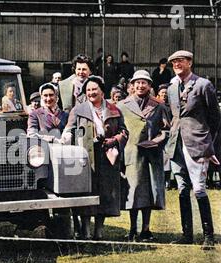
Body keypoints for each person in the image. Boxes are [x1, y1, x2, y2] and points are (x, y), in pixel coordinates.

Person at [58, 76, 128, 240]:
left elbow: (124, 132)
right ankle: (86, 230)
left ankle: (99, 230)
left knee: (105, 193)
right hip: (86, 158)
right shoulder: (78, 109)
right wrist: (64, 141)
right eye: (88, 90)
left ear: (102, 91)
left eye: (94, 89)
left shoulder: (114, 109)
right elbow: (69, 130)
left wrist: (115, 140)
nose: (91, 93)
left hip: (107, 158)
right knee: (87, 193)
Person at [166, 50, 221, 249]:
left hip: (197, 143)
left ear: (190, 62)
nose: (177, 64)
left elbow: (215, 118)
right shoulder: (172, 88)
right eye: (174, 62)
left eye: (180, 61)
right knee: (182, 189)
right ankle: (186, 234)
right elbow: (175, 115)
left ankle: (208, 236)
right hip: (176, 144)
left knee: (199, 188)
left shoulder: (203, 85)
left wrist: (207, 142)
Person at [118, 70, 170, 242]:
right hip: (132, 154)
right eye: (137, 82)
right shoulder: (122, 106)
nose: (141, 86)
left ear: (150, 86)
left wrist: (155, 141)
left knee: (149, 193)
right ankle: (132, 228)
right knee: (133, 192)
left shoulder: (159, 105)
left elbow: (166, 130)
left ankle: (146, 229)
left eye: (144, 83)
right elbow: (119, 129)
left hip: (151, 156)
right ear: (132, 85)